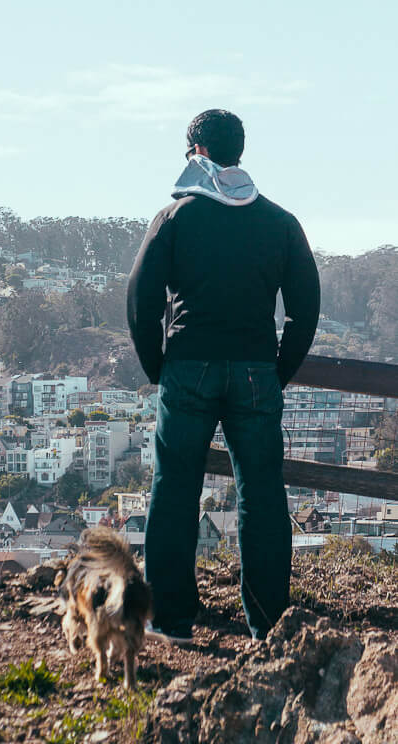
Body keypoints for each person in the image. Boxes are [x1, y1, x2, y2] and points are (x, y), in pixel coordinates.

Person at [127, 109, 320, 642]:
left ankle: (170, 620)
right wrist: (278, 370)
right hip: (257, 370)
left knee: (174, 489)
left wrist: (156, 367)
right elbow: (306, 308)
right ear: (239, 151)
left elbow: (142, 300)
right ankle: (267, 623)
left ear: (198, 152)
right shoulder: (281, 223)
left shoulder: (174, 218)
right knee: (262, 493)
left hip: (187, 367)